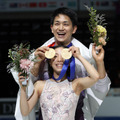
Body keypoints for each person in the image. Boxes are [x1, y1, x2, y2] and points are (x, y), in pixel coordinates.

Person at [11, 7, 111, 120]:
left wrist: (99, 61)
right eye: (57, 24)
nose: (61, 28)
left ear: (74, 29)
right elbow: (27, 83)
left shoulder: (84, 54)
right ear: (52, 28)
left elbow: (99, 83)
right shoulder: (40, 53)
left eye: (66, 24)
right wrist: (37, 63)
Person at [19, 45, 99, 120]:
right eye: (55, 56)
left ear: (69, 63)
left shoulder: (75, 85)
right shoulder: (40, 85)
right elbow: (25, 111)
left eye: (63, 56)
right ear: (50, 62)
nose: (59, 59)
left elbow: (95, 77)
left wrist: (79, 56)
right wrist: (23, 88)